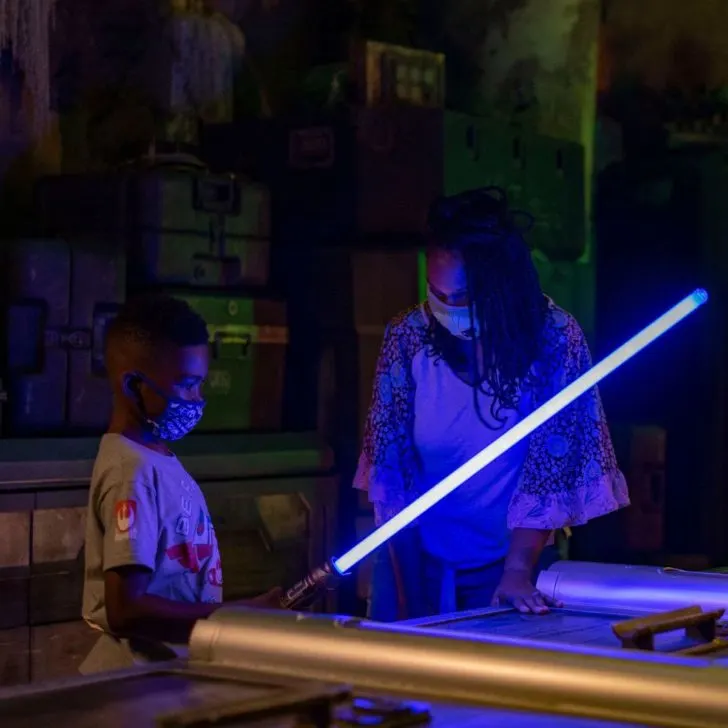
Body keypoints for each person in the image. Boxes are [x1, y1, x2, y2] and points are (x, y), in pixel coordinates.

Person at [354, 188, 629, 621]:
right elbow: (393, 475)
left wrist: (517, 570)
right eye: (435, 293)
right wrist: (408, 597)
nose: (445, 309)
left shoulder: (555, 340)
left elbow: (549, 471)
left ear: (500, 287)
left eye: (461, 297)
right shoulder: (407, 339)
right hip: (418, 561)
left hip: (514, 566)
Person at [80, 294, 281, 674]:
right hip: (135, 684)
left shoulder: (156, 460)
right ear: (134, 386)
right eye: (187, 386)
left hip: (164, 676)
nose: (197, 400)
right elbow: (126, 610)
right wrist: (239, 616)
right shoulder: (131, 472)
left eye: (200, 385)